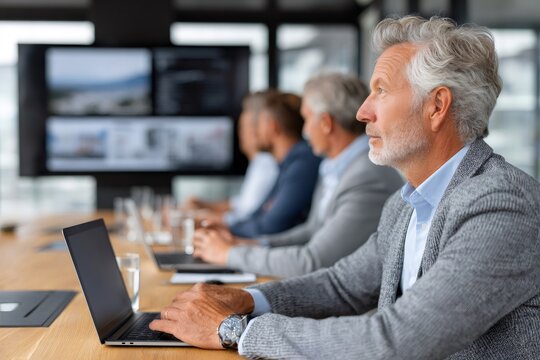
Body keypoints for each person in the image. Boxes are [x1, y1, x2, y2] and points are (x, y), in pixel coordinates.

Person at [149, 15, 540, 359]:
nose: (362, 111)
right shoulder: (407, 204)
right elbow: (343, 286)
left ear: (437, 106)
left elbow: (397, 341)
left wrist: (234, 331)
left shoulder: (501, 206)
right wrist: (249, 300)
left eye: (381, 90)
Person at [192, 73, 403, 277]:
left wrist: (229, 254)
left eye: (307, 119)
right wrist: (248, 244)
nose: (304, 131)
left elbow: (313, 260)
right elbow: (311, 231)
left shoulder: (367, 176)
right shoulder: (335, 166)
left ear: (326, 123)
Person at [224, 91, 322, 237]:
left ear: (272, 127)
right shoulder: (288, 163)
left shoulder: (302, 162)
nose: (255, 131)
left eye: (259, 124)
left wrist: (228, 230)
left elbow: (270, 225)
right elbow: (260, 214)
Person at [184, 91, 279, 226]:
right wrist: (204, 205)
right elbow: (242, 204)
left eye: (243, 128)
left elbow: (247, 217)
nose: (240, 134)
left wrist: (199, 217)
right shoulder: (259, 163)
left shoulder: (266, 165)